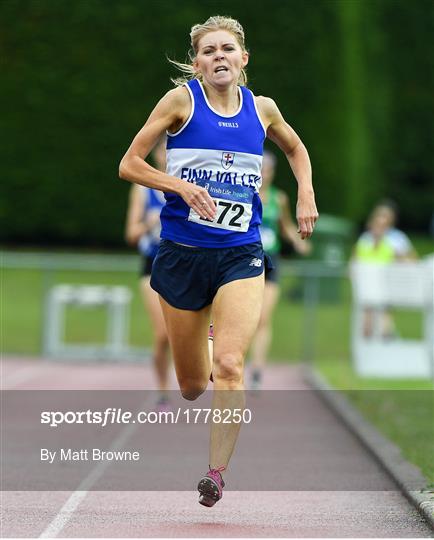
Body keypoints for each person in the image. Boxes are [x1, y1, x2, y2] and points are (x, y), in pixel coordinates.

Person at [119, 15, 318, 507]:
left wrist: (305, 194)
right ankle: (204, 350)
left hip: (242, 254)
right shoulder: (181, 102)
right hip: (183, 255)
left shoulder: (263, 109)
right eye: (208, 51)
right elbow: (130, 164)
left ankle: (215, 473)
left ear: (243, 59)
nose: (218, 57)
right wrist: (181, 186)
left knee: (230, 365)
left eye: (227, 49)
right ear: (197, 63)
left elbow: (295, 148)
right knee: (191, 386)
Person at [250, 150, 311, 389]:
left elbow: (284, 225)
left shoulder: (279, 198)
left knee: (263, 318)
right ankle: (234, 365)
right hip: (245, 258)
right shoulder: (246, 193)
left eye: (269, 170)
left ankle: (257, 369)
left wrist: (297, 241)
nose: (265, 174)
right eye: (261, 169)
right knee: (246, 318)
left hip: (271, 261)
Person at [124, 137, 171, 409]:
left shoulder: (188, 183)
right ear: (154, 154)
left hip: (184, 265)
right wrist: (148, 223)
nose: (166, 154)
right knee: (163, 333)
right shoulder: (142, 189)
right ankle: (163, 387)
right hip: (152, 266)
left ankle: (193, 380)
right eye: (162, 149)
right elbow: (130, 233)